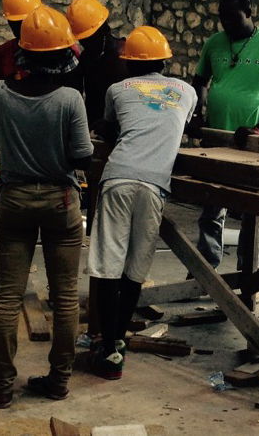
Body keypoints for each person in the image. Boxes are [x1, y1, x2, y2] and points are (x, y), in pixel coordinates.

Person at [0, 5, 92, 408]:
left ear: (23, 53)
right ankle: (59, 381)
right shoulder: (70, 99)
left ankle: (2, 387)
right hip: (60, 200)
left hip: (13, 200)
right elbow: (82, 156)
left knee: (9, 296)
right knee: (64, 297)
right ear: (64, 55)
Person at [86, 26, 196, 380]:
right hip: (154, 185)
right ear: (165, 62)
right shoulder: (187, 92)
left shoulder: (117, 90)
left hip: (117, 177)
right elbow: (173, 123)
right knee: (135, 269)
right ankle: (119, 342)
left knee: (107, 265)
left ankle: (107, 348)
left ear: (128, 64)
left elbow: (111, 126)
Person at [186, 0, 259, 272]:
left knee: (252, 213)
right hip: (216, 141)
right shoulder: (214, 43)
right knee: (211, 207)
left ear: (249, 12)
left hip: (253, 146)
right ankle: (204, 270)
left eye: (233, 16)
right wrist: (197, 112)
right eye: (222, 17)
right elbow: (200, 83)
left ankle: (249, 273)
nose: (227, 23)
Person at [0, 0, 43, 304]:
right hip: (15, 145)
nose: (19, 28)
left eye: (24, 21)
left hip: (47, 141)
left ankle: (56, 281)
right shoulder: (2, 55)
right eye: (14, 23)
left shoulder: (56, 48)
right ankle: (4, 276)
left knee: (49, 213)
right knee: (7, 214)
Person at [66, 0, 129, 127]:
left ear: (102, 30)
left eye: (89, 38)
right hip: (94, 127)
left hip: (123, 125)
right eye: (82, 39)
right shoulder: (86, 58)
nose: (85, 43)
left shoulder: (127, 54)